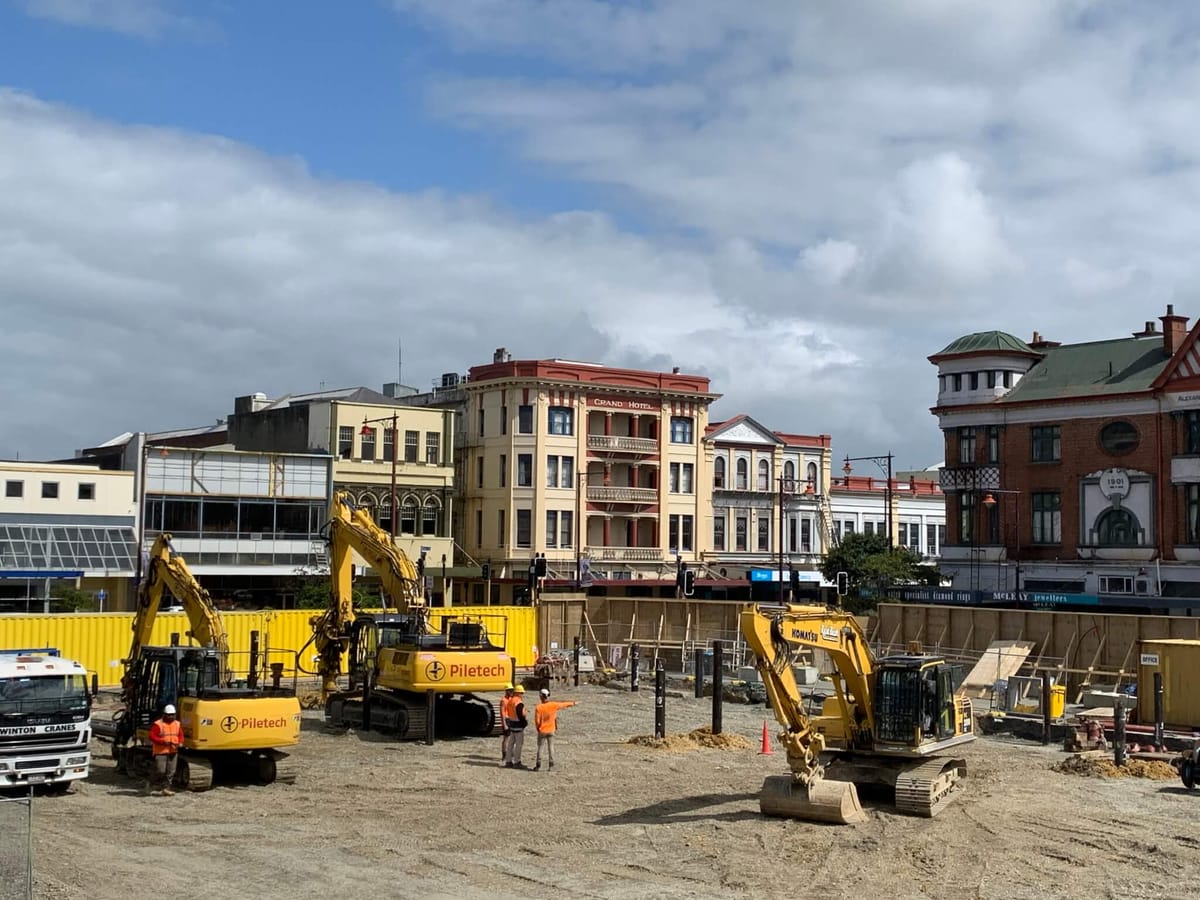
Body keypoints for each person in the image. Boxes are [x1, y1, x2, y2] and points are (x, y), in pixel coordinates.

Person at [533, 688, 577, 771]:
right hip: (551, 730)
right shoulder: (553, 705)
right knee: (551, 747)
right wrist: (573, 703)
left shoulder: (539, 707)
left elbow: (537, 721)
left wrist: (538, 728)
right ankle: (551, 765)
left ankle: (538, 765)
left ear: (541, 697)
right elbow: (563, 704)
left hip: (542, 730)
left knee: (540, 748)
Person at [148, 703, 185, 796]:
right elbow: (152, 736)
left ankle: (166, 788)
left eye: (172, 715)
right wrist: (162, 741)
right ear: (164, 714)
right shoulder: (158, 724)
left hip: (173, 751)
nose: (171, 716)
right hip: (161, 751)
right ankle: (152, 784)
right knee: (160, 770)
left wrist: (180, 742)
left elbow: (180, 735)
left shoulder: (177, 724)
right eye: (169, 715)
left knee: (171, 772)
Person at [503, 685, 528, 768]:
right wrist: (524, 723)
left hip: (512, 724)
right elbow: (520, 714)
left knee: (510, 744)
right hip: (518, 725)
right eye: (521, 693)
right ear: (518, 693)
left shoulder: (510, 701)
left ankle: (508, 761)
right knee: (518, 744)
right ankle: (517, 762)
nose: (522, 694)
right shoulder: (518, 702)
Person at [499, 684, 516, 761]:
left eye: (512, 690)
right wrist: (504, 724)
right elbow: (502, 713)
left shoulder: (511, 699)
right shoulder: (503, 700)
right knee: (506, 738)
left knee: (512, 738)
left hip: (511, 719)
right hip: (506, 720)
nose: (511, 691)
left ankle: (510, 753)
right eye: (510, 690)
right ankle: (504, 754)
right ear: (506, 691)